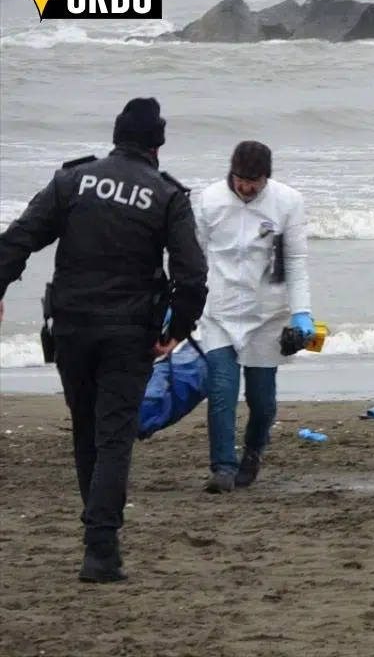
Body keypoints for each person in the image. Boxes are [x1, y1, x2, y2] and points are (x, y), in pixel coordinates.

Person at [0, 97, 208, 582]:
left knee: (86, 428)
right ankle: (101, 547)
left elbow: (20, 237)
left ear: (116, 137)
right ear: (157, 145)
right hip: (129, 333)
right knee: (114, 435)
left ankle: (97, 531)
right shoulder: (168, 195)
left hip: (71, 328)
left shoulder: (73, 180)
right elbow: (191, 274)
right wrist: (178, 330)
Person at [194, 140, 314, 493]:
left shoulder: (288, 202)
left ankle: (253, 453)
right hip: (220, 311)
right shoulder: (210, 200)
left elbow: (295, 262)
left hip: (267, 315)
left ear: (266, 178)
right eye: (240, 179)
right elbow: (193, 256)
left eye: (254, 181)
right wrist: (179, 301)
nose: (246, 188)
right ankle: (223, 468)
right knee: (221, 390)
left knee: (262, 402)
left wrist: (302, 313)